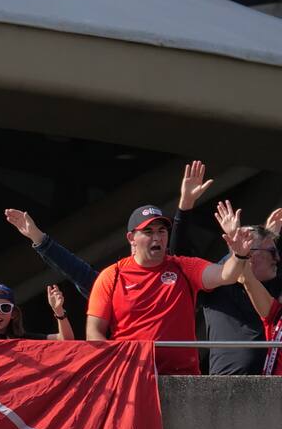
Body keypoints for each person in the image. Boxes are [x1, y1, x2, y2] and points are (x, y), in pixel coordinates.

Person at [86, 202, 256, 375]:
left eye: (162, 231)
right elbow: (93, 332)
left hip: (181, 378)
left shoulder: (183, 267)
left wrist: (239, 254)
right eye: (148, 232)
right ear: (131, 238)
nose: (157, 237)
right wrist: (121, 365)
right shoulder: (112, 275)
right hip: (131, 377)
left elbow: (226, 275)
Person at [168, 160, 282, 374]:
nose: (277, 258)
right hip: (224, 389)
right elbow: (179, 260)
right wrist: (186, 204)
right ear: (250, 255)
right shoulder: (219, 282)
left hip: (269, 388)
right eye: (272, 252)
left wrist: (269, 233)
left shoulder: (271, 284)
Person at [236, 228, 282, 375]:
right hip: (271, 394)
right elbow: (246, 278)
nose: (278, 259)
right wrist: (238, 247)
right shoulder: (275, 313)